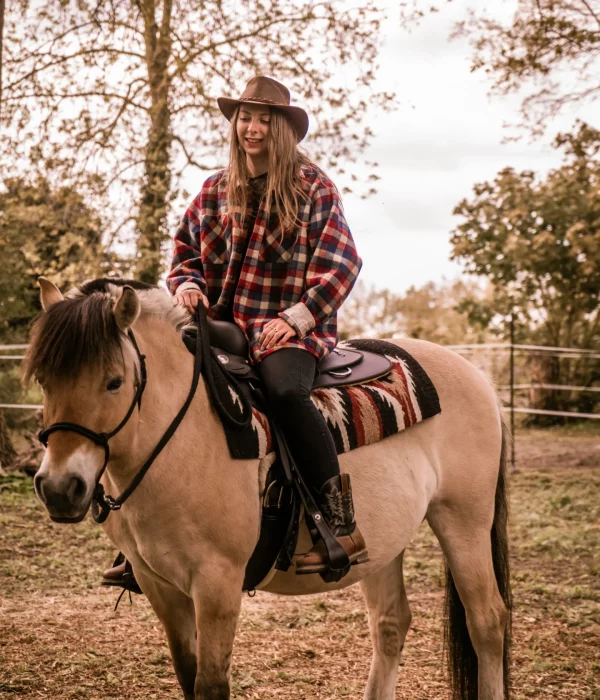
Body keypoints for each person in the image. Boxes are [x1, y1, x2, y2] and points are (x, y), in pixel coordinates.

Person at [103, 76, 366, 586]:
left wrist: (296, 318)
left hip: (289, 329)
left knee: (287, 392)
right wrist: (187, 288)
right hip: (221, 322)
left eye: (264, 120)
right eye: (245, 117)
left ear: (283, 129)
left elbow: (342, 265)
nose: (252, 127)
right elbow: (184, 256)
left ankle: (340, 523)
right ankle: (145, 539)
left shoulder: (314, 188)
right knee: (166, 380)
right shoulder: (214, 189)